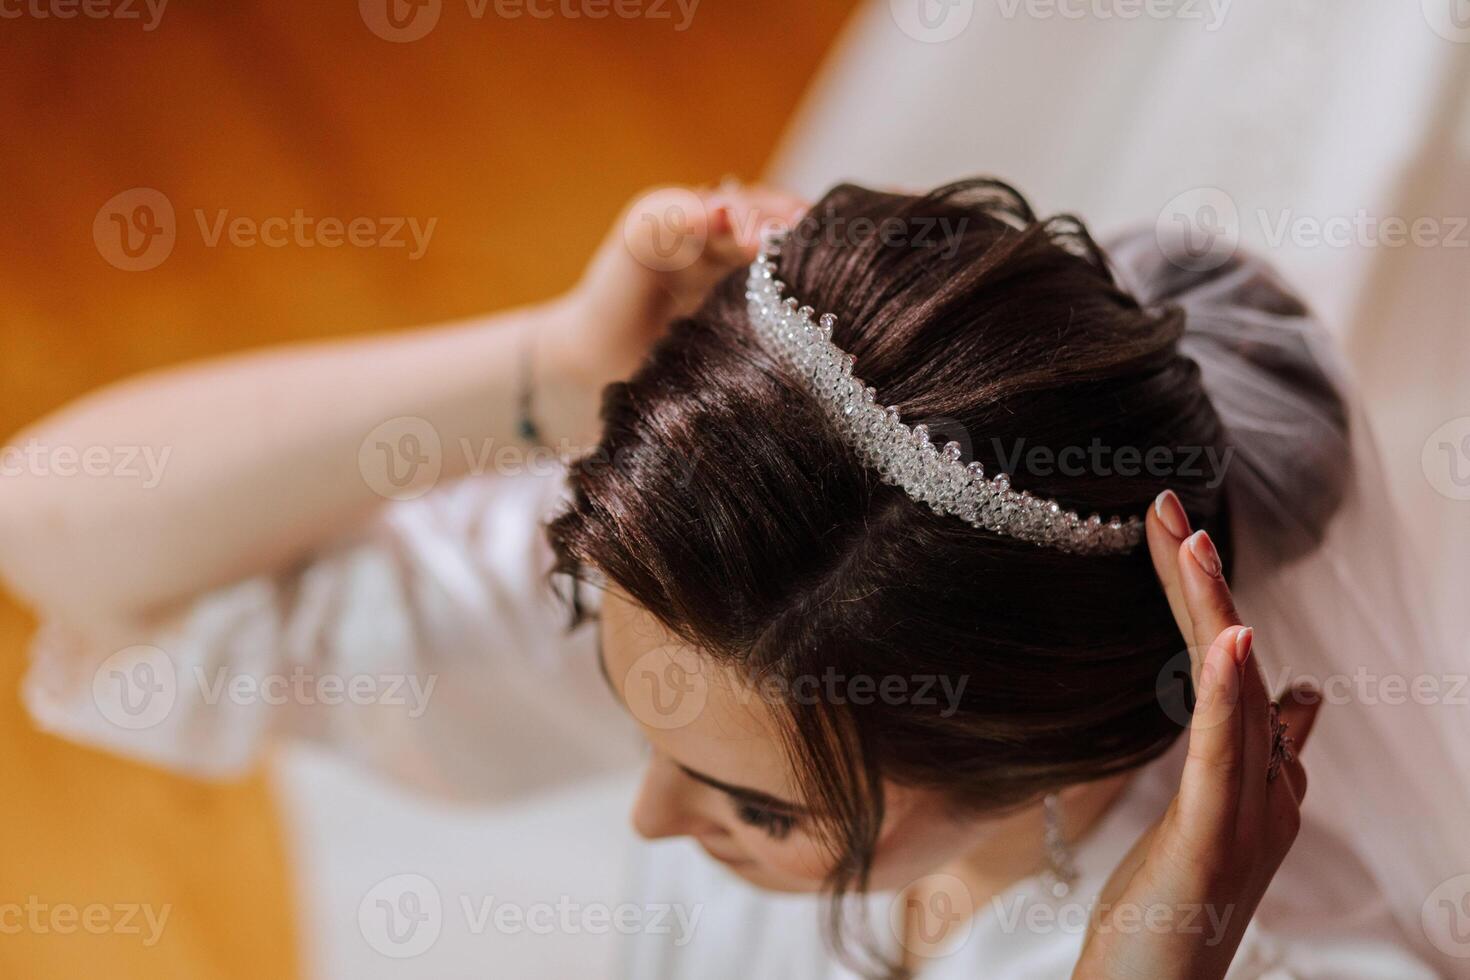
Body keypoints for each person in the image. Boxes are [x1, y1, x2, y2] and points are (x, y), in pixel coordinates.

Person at [0, 179, 1454, 978]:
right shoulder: (730, 617)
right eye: (641, 722)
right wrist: (552, 372)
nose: (643, 815)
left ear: (1062, 746)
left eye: (761, 806)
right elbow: (57, 530)